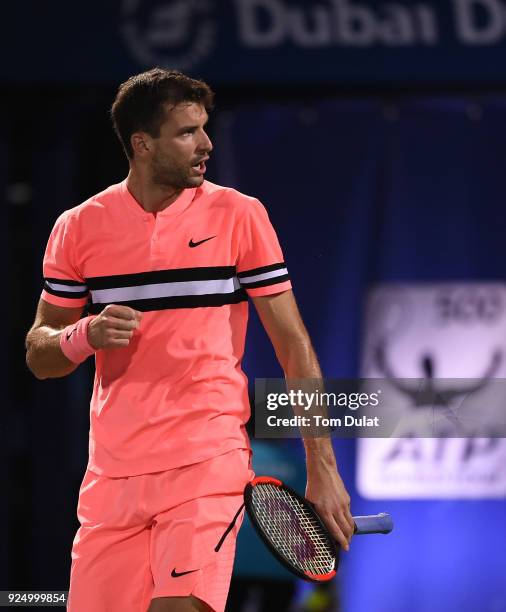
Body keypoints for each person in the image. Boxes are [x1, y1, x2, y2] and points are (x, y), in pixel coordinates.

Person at [25, 68, 353, 612]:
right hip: (112, 476)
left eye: (205, 128)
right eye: (186, 132)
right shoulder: (78, 228)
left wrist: (323, 469)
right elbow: (41, 355)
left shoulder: (240, 216)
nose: (206, 144)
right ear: (142, 144)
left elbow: (294, 346)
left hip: (207, 462)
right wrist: (86, 334)